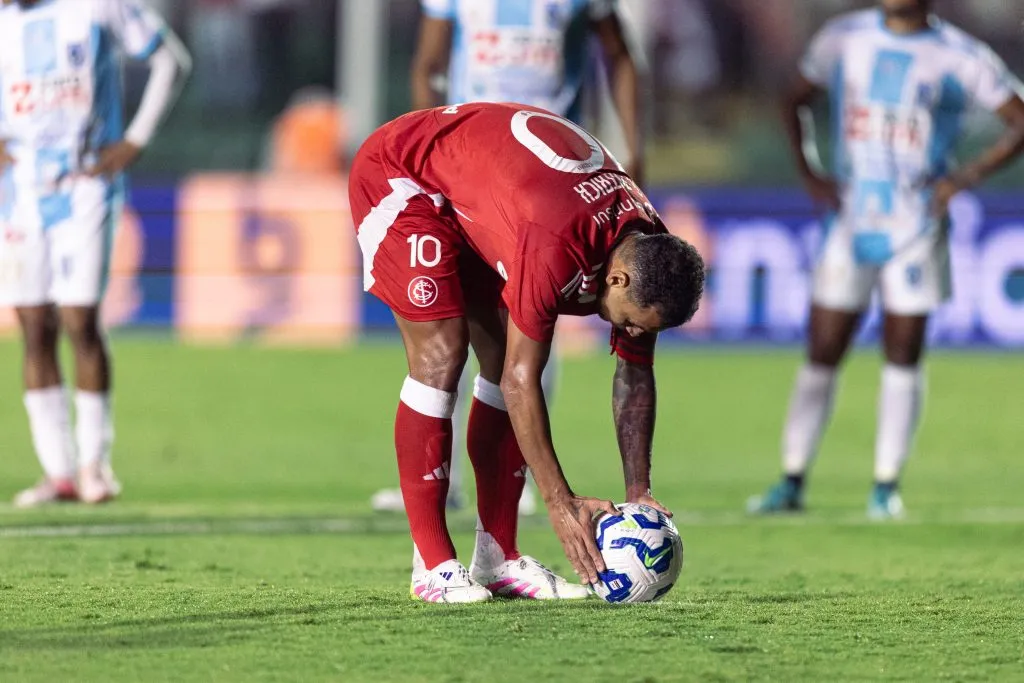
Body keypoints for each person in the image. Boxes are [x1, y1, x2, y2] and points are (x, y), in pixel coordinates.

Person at [349, 102, 703, 603]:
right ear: (618, 278)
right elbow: (523, 381)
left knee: (497, 356)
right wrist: (560, 502)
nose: (629, 332)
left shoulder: (649, 251)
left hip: (483, 190)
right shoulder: (557, 242)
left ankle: (497, 559)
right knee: (443, 355)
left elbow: (635, 372)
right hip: (405, 174)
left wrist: (638, 489)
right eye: (629, 322)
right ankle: (432, 566)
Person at [748, 0, 1024, 520]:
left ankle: (885, 486)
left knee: (903, 351)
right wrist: (809, 170)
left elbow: (1019, 119)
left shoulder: (960, 55)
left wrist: (964, 178)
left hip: (916, 224)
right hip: (851, 220)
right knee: (823, 347)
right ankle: (791, 478)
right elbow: (794, 98)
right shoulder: (844, 37)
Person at [370, 0, 645, 515]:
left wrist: (633, 148)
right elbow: (428, 64)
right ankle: (443, 481)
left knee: (535, 322)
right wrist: (427, 144)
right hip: (469, 169)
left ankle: (514, 478)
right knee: (449, 329)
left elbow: (620, 55)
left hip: (549, 180)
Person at [0, 0, 191, 506]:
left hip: (87, 187)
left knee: (80, 321)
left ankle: (94, 465)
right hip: (18, 195)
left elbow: (170, 60)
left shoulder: (99, 6)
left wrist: (136, 139)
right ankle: (58, 473)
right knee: (33, 328)